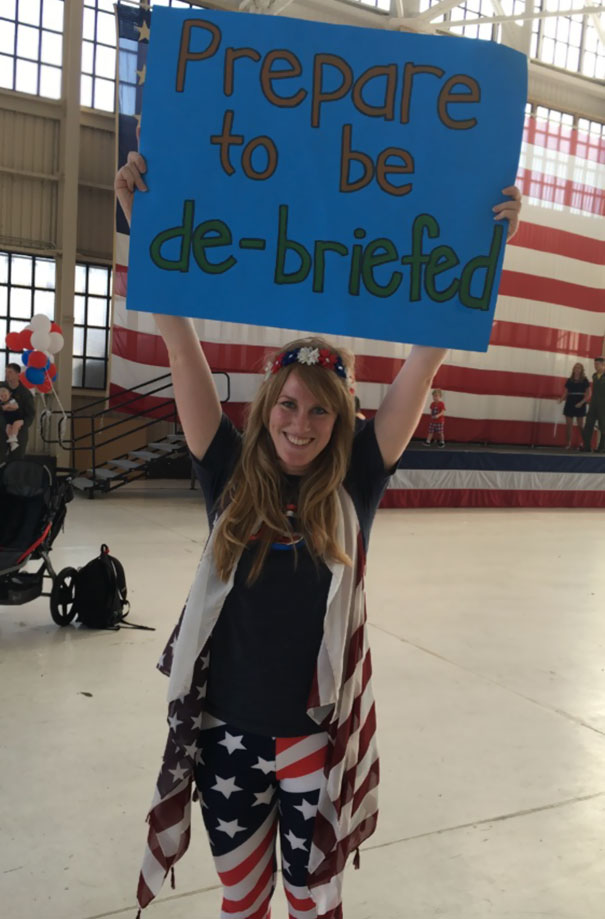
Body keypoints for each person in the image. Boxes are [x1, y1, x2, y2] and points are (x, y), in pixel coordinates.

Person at [116, 151, 521, 919]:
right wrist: (147, 229)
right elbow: (179, 342)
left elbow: (426, 355)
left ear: (341, 420)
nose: (299, 425)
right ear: (268, 402)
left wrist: (481, 244)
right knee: (242, 901)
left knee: (312, 902)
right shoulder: (226, 472)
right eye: (289, 405)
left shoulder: (356, 479)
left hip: (310, 737)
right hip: (228, 735)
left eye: (319, 411)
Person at [0, 363, 35, 461]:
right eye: (6, 372)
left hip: (18, 431)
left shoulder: (25, 393)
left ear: (18, 374)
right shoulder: (1, 387)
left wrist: (22, 423)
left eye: (10, 372)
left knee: (16, 461)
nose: (7, 374)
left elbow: (30, 415)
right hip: (2, 428)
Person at [558, 362, 589, 449]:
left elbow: (588, 394)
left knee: (580, 425)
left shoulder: (585, 380)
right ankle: (568, 444)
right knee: (569, 425)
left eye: (579, 368)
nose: (577, 369)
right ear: (573, 369)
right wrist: (561, 399)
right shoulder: (569, 380)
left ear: (581, 370)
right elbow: (565, 393)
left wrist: (581, 403)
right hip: (570, 402)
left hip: (580, 402)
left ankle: (585, 443)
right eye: (575, 368)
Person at [582, 356, 605, 453]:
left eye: (597, 364)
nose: (595, 366)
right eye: (595, 364)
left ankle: (602, 447)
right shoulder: (594, 376)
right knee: (588, 425)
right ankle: (586, 446)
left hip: (603, 405)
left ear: (603, 364)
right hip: (593, 405)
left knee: (603, 427)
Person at [0, 384, 25, 451]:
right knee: (7, 428)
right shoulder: (1, 403)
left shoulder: (12, 400)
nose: (3, 397)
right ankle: (13, 443)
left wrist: (7, 406)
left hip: (18, 419)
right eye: (1, 396)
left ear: (10, 394)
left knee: (15, 425)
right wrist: (7, 407)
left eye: (5, 395)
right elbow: (3, 409)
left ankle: (13, 437)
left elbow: (16, 406)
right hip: (9, 421)